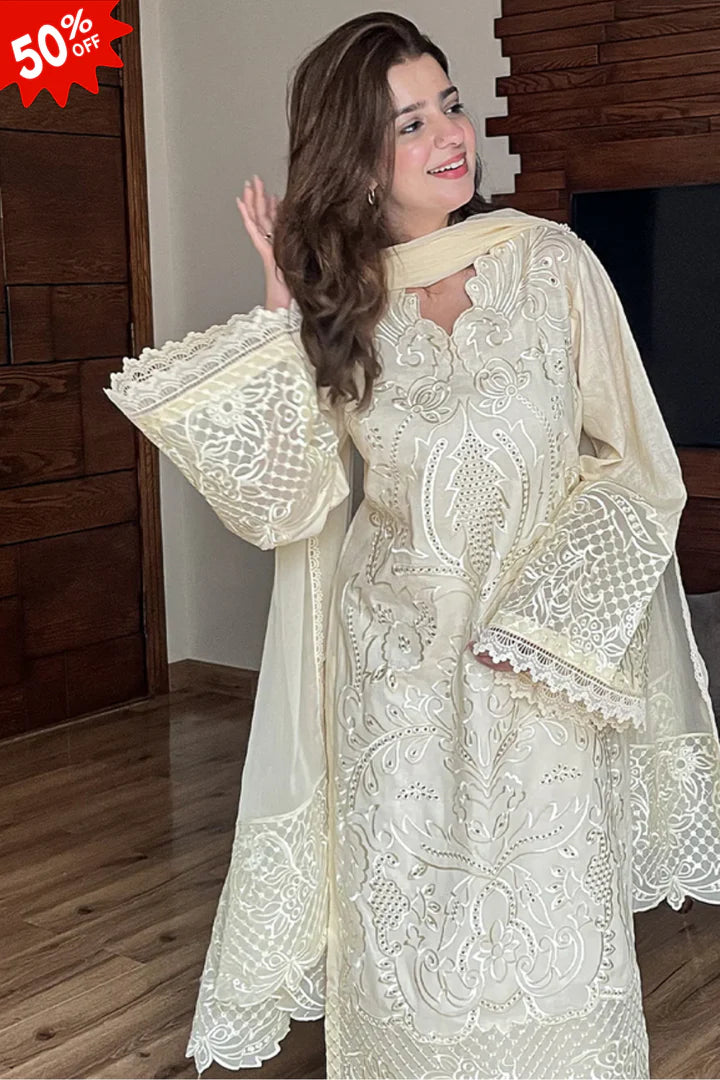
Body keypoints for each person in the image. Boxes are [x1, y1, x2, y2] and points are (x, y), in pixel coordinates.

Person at [104, 12, 720, 1080]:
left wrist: (545, 630)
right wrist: (278, 311)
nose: (450, 136)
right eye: (410, 123)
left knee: (548, 937)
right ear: (356, 159)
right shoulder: (343, 310)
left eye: (451, 105)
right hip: (393, 679)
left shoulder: (552, 265)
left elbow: (639, 465)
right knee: (409, 940)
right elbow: (284, 505)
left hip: (534, 670)